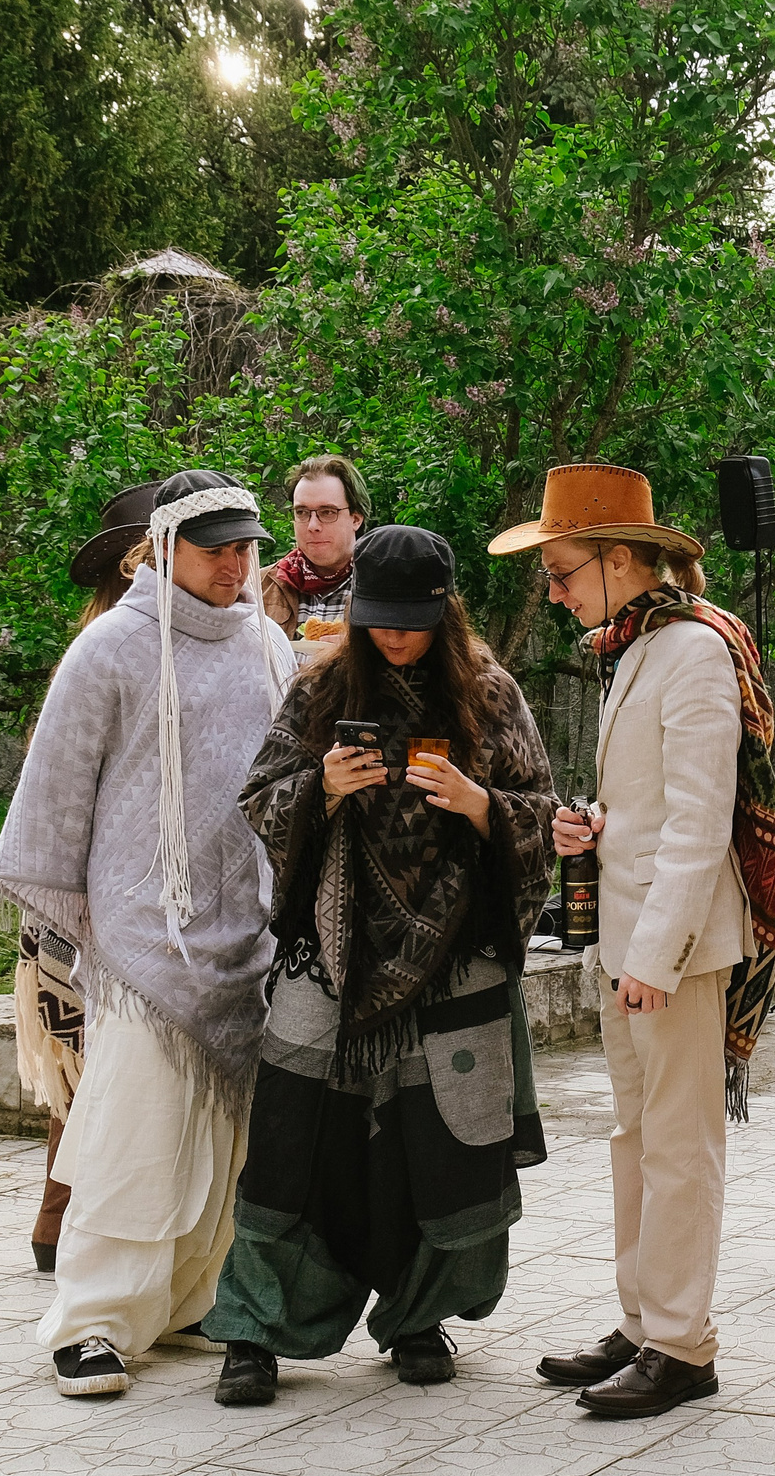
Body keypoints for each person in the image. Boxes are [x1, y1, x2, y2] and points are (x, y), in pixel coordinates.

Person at [206, 527, 560, 1404]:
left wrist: (480, 805)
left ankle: (416, 1315)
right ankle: (252, 1328)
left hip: (455, 959)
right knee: (289, 1139)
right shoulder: (321, 687)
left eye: (409, 623)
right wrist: (323, 784)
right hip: (331, 950)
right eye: (378, 621)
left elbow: (542, 814)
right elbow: (259, 798)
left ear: (444, 612)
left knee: (444, 1141)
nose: (392, 638)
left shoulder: (489, 693)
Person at [0, 469, 295, 1397]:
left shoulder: (270, 644)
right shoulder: (110, 649)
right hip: (140, 934)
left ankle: (191, 1298)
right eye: (217, 547)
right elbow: (55, 798)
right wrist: (88, 933)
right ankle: (90, 1323)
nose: (237, 563)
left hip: (249, 925)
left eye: (247, 545)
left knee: (228, 1139)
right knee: (136, 1134)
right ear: (163, 549)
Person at [493, 464, 753, 1420]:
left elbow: (701, 818)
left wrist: (654, 955)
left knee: (680, 1143)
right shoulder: (635, 646)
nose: (554, 590)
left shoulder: (690, 650)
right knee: (637, 1136)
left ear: (618, 561)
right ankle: (647, 1320)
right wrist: (594, 826)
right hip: (626, 940)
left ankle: (683, 1342)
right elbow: (652, 807)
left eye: (561, 571)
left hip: (668, 950)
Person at [17, 480, 163, 1274]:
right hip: (95, 891)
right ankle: (71, 1218)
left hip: (84, 887)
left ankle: (59, 1215)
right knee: (98, 1058)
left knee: (89, 1060)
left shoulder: (107, 643)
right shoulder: (114, 651)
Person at [261, 454, 370, 644]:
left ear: (356, 519)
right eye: (302, 512)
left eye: (327, 512)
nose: (312, 525)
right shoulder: (260, 586)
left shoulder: (381, 584)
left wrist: (359, 653)